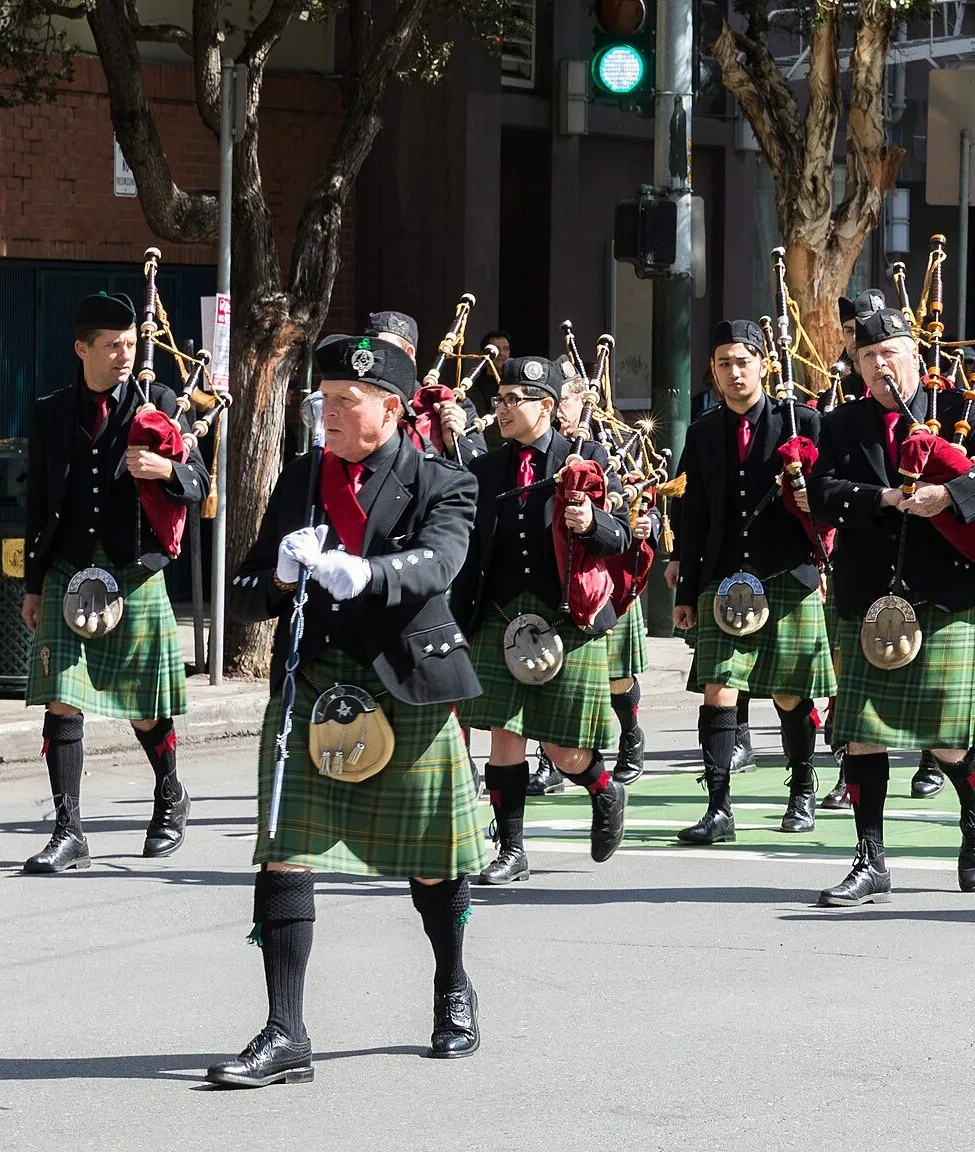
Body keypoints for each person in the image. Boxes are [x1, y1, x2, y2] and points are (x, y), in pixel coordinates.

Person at [216, 335, 487, 1086]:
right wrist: (275, 576)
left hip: (405, 682)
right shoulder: (303, 475)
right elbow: (243, 598)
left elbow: (440, 563)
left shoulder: (444, 480)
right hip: (314, 686)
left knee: (434, 863)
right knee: (283, 850)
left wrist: (363, 573)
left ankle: (452, 986)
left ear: (391, 409)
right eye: (323, 398)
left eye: (345, 401)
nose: (327, 413)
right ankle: (285, 1032)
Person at [808, 306, 975, 902]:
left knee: (948, 738)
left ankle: (974, 816)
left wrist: (949, 493)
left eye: (890, 354)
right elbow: (822, 496)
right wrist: (883, 499)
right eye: (868, 357)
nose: (880, 366)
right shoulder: (842, 423)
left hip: (944, 594)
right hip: (867, 598)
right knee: (861, 735)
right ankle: (870, 858)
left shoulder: (961, 410)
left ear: (915, 357)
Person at [19, 291, 210, 873]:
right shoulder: (52, 413)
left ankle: (171, 794)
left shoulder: (161, 405)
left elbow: (199, 484)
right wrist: (32, 584)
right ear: (82, 348)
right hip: (67, 569)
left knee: (143, 708)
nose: (124, 355)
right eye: (112, 346)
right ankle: (69, 830)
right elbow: (38, 503)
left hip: (133, 573)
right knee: (62, 699)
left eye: (130, 344)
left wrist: (166, 470)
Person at [452, 356, 635, 885]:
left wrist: (591, 521)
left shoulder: (589, 456)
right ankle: (512, 849)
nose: (502, 410)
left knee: (562, 747)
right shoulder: (486, 468)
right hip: (501, 615)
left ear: (548, 408)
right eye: (499, 399)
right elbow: (468, 547)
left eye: (514, 400)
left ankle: (604, 788)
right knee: (503, 735)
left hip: (568, 618)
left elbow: (620, 536)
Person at [669, 320, 837, 843]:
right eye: (723, 364)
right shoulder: (701, 433)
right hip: (722, 577)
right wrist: (685, 590)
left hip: (787, 574)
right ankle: (718, 807)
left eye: (743, 361)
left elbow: (830, 504)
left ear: (764, 364)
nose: (734, 372)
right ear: (714, 372)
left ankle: (802, 788)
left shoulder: (802, 423)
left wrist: (811, 503)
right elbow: (693, 514)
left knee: (790, 694)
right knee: (718, 689)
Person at [554, 376, 654, 786]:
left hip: (604, 574)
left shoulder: (608, 446)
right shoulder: (535, 450)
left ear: (583, 403)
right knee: (552, 674)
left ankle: (630, 733)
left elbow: (639, 497)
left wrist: (641, 518)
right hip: (555, 575)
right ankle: (550, 763)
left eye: (564, 400)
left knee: (615, 675)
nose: (558, 409)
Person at [367, 310, 487, 464]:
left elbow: (480, 473)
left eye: (385, 351)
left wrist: (453, 443)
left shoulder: (454, 406)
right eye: (370, 351)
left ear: (409, 353)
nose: (375, 359)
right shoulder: (361, 403)